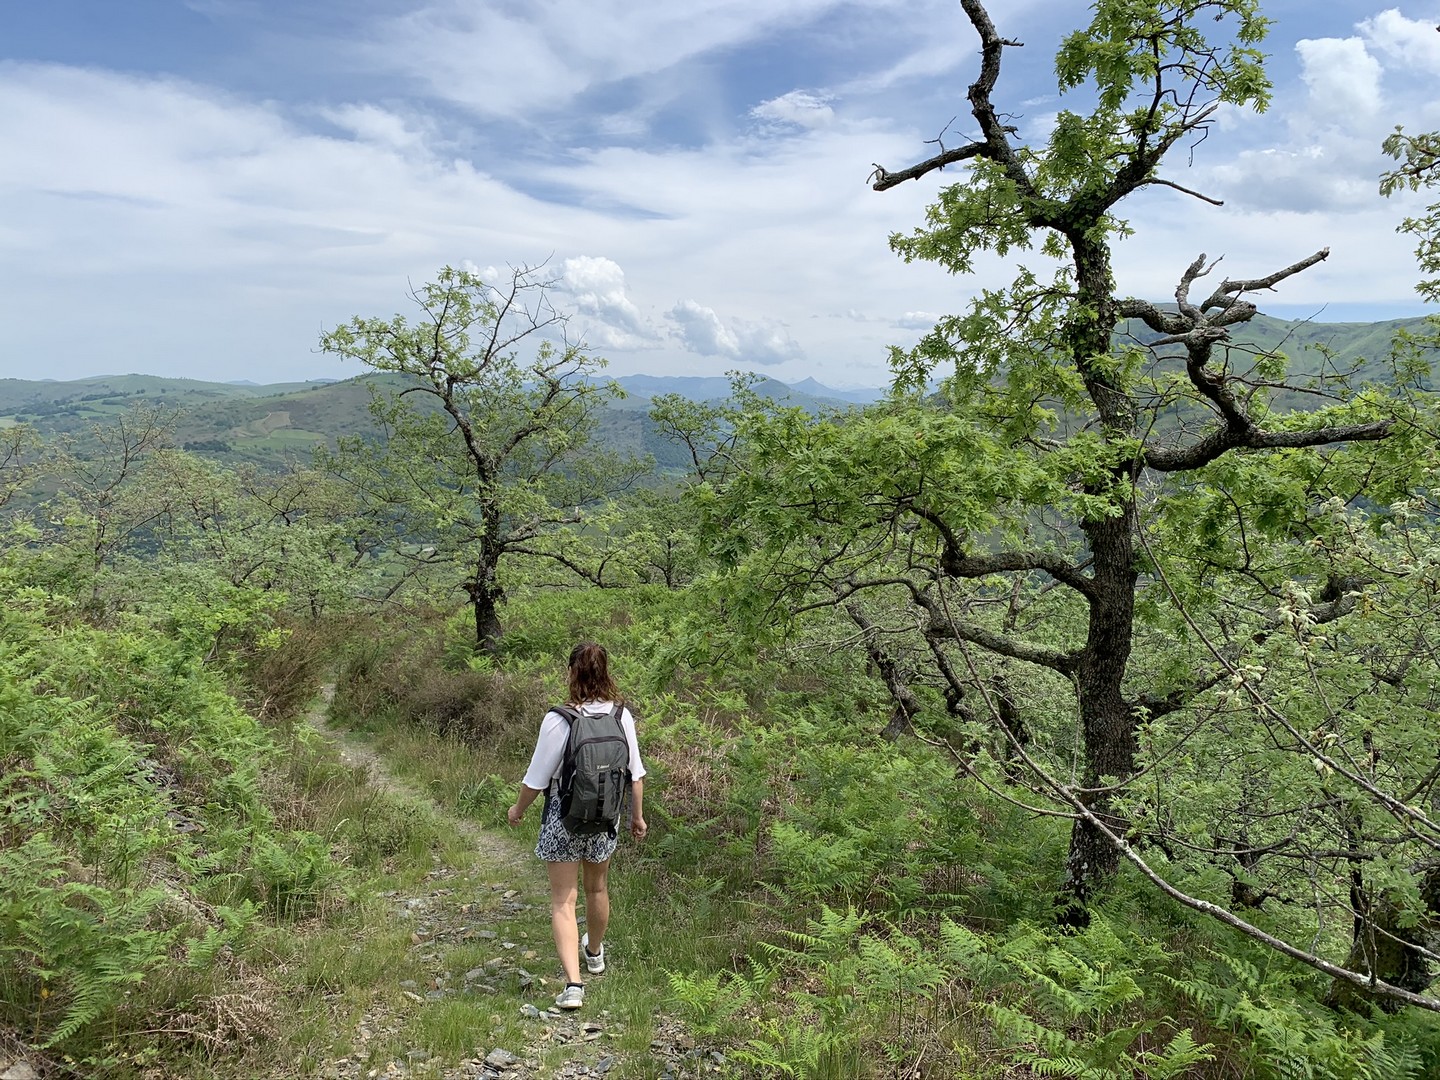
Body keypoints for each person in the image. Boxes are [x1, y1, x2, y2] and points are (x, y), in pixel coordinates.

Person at [507, 642, 647, 1010]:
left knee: (562, 900)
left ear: (571, 673)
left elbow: (536, 780)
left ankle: (573, 986)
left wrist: (517, 810)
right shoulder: (622, 717)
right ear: (606, 673)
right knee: (597, 890)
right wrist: (637, 817)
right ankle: (595, 952)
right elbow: (636, 776)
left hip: (563, 820)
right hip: (605, 819)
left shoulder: (559, 719)